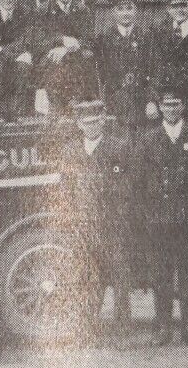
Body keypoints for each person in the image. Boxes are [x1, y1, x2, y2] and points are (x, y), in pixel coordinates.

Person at [56, 100, 135, 340]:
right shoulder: (70, 151)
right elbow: (65, 188)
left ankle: (122, 331)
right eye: (87, 123)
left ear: (103, 121)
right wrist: (72, 218)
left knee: (120, 278)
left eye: (96, 122)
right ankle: (89, 330)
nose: (92, 127)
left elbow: (127, 186)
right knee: (88, 279)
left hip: (111, 224)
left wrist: (118, 214)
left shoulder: (118, 147)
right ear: (79, 124)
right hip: (84, 225)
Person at [138, 84, 188, 345]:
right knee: (161, 274)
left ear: (183, 107)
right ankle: (163, 326)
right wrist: (148, 213)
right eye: (166, 105)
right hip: (160, 220)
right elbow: (141, 183)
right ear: (161, 108)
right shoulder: (149, 140)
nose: (171, 109)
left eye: (176, 104)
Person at [35, 0, 97, 116]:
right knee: (52, 61)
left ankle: (80, 102)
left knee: (87, 56)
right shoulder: (43, 11)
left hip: (74, 56)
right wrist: (61, 40)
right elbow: (38, 39)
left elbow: (89, 39)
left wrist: (68, 48)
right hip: (51, 57)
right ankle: (55, 105)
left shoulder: (83, 10)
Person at [95, 0, 149, 133]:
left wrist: (151, 100)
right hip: (114, 103)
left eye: (129, 8)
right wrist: (103, 104)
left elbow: (153, 70)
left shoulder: (146, 37)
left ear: (135, 10)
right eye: (120, 9)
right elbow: (100, 74)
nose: (125, 13)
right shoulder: (104, 39)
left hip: (141, 103)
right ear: (113, 12)